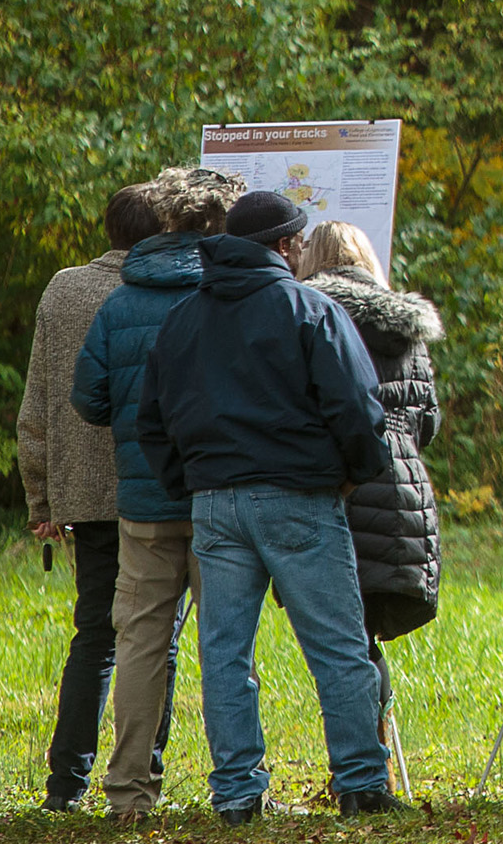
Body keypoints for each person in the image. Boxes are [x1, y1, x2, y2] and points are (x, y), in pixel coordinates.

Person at [138, 189, 405, 822]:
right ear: (286, 247)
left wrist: (189, 482)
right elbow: (358, 410)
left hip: (214, 504)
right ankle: (361, 783)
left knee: (225, 654)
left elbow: (151, 420)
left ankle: (236, 794)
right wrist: (353, 476)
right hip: (300, 497)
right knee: (337, 647)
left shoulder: (182, 317)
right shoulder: (308, 309)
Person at [74, 166, 241, 824]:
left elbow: (88, 399)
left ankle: (128, 794)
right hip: (215, 494)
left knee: (141, 643)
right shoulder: (226, 297)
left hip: (144, 501)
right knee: (224, 640)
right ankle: (236, 786)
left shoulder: (119, 303)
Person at [20, 181, 163, 812]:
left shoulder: (63, 288)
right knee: (156, 638)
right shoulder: (166, 289)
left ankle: (65, 784)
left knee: (95, 637)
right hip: (153, 488)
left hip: (83, 493)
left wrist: (40, 498)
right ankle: (142, 773)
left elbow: (37, 405)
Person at [295, 222, 445, 749]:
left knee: (343, 640)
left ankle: (361, 761)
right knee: (363, 637)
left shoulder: (304, 312)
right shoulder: (406, 324)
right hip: (402, 489)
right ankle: (371, 749)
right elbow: (428, 421)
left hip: (335, 487)